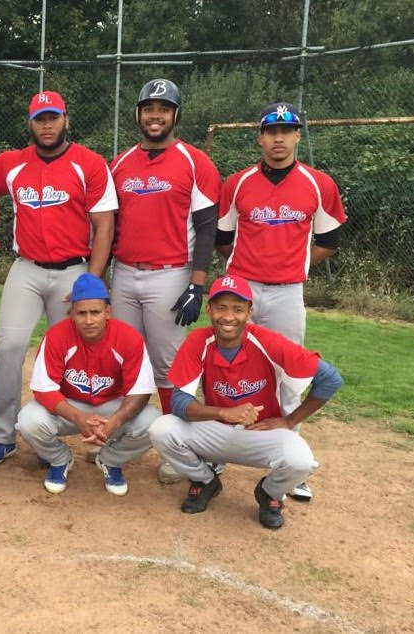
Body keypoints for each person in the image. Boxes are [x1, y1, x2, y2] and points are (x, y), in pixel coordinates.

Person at [0, 90, 118, 467]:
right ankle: (4, 434)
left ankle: (48, 435)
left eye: (53, 117)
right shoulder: (12, 163)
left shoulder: (88, 163)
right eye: (40, 118)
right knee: (9, 345)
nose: (47, 125)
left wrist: (91, 284)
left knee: (68, 355)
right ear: (31, 123)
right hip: (26, 266)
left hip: (74, 270)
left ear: (65, 120)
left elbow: (104, 227)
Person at [216, 102, 346, 502]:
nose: (278, 138)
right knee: (224, 365)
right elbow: (224, 239)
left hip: (289, 290)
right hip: (243, 289)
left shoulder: (318, 183)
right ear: (260, 136)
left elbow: (329, 242)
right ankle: (215, 452)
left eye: (287, 130)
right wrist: (245, 270)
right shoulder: (237, 182)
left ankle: (291, 462)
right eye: (271, 130)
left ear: (297, 137)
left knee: (291, 373)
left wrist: (294, 262)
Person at [148, 274, 343, 529]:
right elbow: (179, 402)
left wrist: (289, 420)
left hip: (260, 432)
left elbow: (330, 379)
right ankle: (206, 480)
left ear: (249, 312)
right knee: (161, 429)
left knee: (301, 461)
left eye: (238, 309)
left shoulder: (266, 340)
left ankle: (269, 493)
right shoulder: (199, 341)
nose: (228, 317)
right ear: (209, 310)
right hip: (217, 430)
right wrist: (224, 413)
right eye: (221, 308)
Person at [109, 78, 221, 484]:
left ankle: (180, 447)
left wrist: (197, 284)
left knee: (171, 368)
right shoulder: (120, 163)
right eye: (148, 108)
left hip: (170, 274)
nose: (155, 116)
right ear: (138, 114)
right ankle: (119, 438)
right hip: (123, 272)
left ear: (175, 115)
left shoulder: (195, 161)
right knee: (123, 360)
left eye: (163, 109)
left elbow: (207, 228)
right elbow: (108, 224)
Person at [16, 274, 158, 494]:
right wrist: (78, 417)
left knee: (153, 424)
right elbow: (44, 389)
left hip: (112, 405)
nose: (89, 320)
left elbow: (140, 392)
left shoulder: (129, 337)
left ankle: (111, 460)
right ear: (71, 314)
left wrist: (115, 421)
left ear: (108, 312)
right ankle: (59, 459)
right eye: (81, 313)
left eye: (95, 312)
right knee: (28, 421)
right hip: (70, 406)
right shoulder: (56, 336)